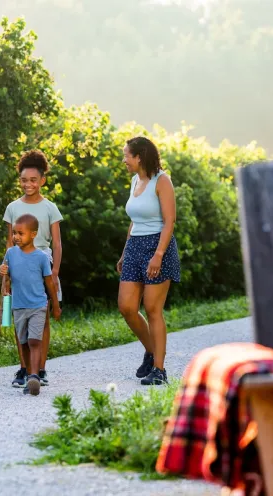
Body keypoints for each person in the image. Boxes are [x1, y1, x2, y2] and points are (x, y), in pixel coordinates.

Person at [117, 136, 181, 386]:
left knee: (153, 310)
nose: (124, 161)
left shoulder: (162, 181)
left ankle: (159, 369)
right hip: (135, 246)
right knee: (127, 307)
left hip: (158, 247)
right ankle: (152, 351)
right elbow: (134, 221)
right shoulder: (135, 180)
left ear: (139, 156)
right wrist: (125, 251)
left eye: (126, 156)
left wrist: (158, 255)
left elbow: (169, 222)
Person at [3, 150, 63, 388]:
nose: (28, 184)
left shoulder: (50, 208)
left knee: (42, 316)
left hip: (42, 262)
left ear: (42, 181)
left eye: (33, 180)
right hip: (18, 263)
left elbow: (57, 242)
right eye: (24, 180)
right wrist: (7, 275)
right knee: (20, 317)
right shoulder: (12, 207)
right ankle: (24, 368)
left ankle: (41, 369)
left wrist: (55, 271)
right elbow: (10, 242)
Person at [0, 214, 61, 396]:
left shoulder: (41, 257)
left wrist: (55, 305)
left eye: (20, 233)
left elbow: (50, 283)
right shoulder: (10, 254)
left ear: (33, 234)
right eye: (14, 233)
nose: (16, 237)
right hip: (18, 306)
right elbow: (6, 278)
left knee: (34, 341)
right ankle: (27, 372)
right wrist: (3, 272)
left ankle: (34, 375)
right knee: (24, 342)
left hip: (38, 305)